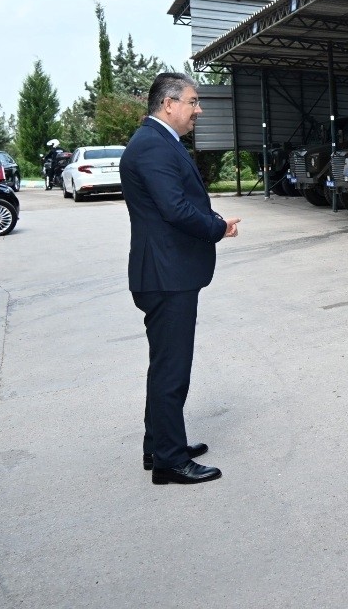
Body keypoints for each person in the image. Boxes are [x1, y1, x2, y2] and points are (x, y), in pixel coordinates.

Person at [121, 72, 239, 485]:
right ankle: (170, 461)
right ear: (169, 104)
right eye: (193, 101)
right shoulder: (152, 145)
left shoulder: (156, 142)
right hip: (166, 276)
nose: (198, 109)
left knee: (164, 366)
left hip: (165, 272)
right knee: (172, 370)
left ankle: (160, 445)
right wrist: (217, 225)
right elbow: (175, 209)